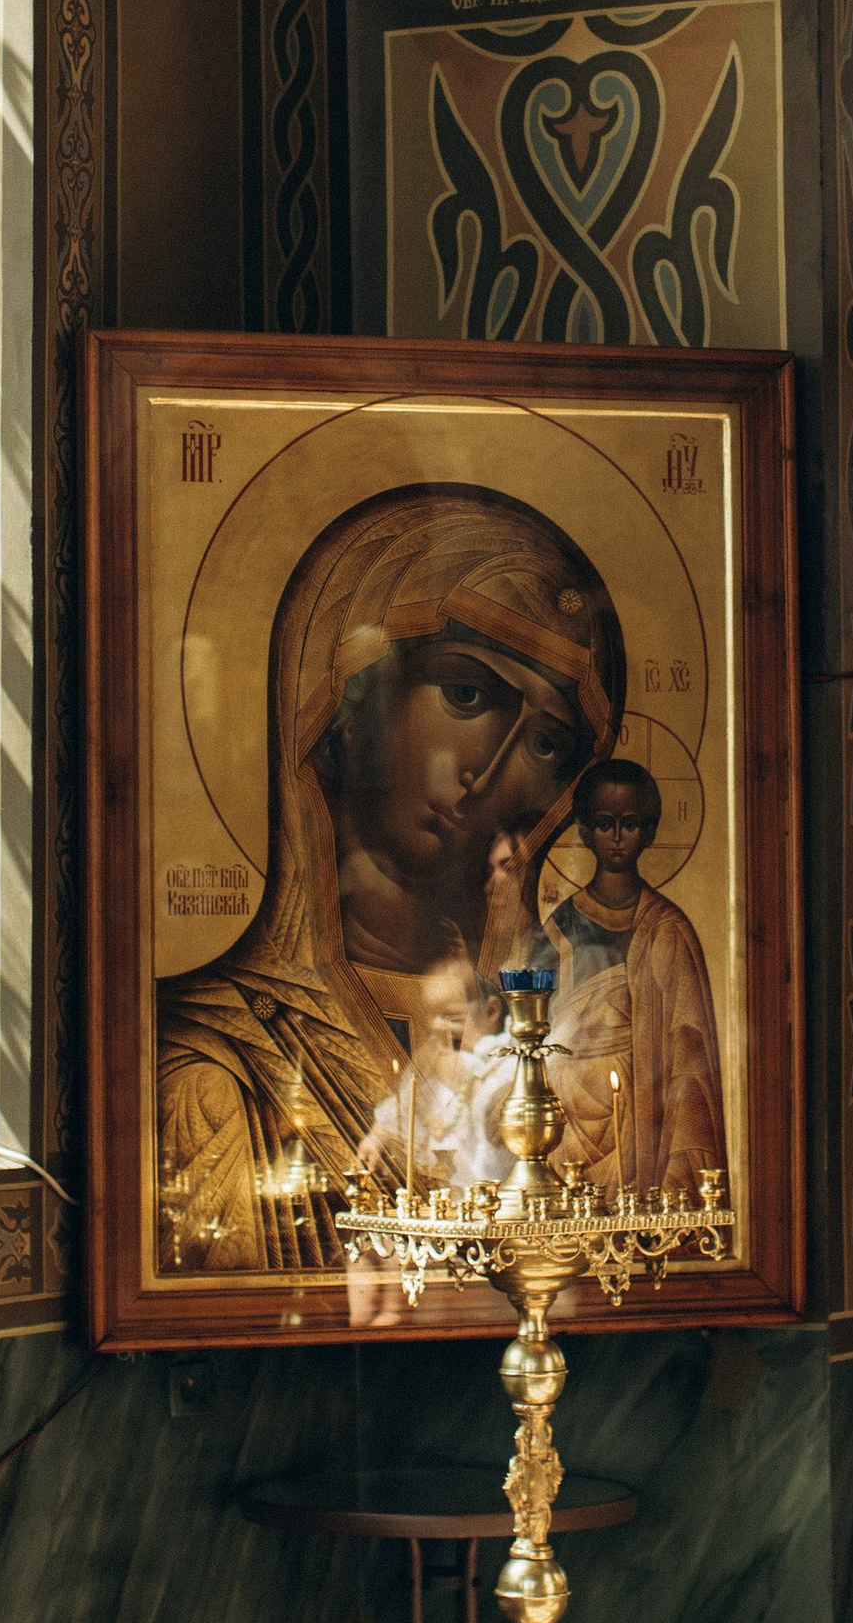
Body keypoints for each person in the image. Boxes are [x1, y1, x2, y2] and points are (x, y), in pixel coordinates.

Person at [155, 487, 624, 1272]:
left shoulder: (570, 1047)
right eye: (467, 693)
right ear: (343, 701)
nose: (492, 765)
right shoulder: (212, 1069)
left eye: (546, 743)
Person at [540, 756, 725, 1197]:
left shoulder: (668, 931)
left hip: (647, 1137)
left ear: (651, 832)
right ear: (585, 832)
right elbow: (539, 1042)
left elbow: (689, 1065)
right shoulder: (560, 929)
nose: (618, 838)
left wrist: (684, 1177)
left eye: (631, 824)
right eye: (605, 823)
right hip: (568, 1140)